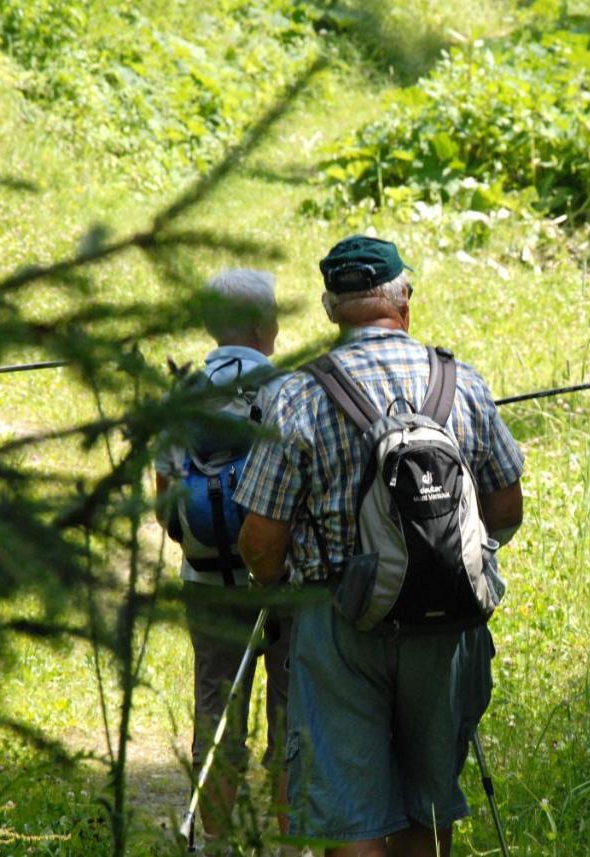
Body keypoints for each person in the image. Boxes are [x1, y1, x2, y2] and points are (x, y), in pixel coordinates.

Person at [236, 236, 525, 857]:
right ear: (404, 301)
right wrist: (442, 561)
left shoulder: (297, 395)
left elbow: (259, 538)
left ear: (330, 308)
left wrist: (285, 595)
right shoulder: (460, 383)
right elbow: (506, 507)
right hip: (448, 625)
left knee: (352, 821)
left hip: (338, 624)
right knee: (428, 809)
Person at [154, 268, 291, 846]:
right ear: (264, 326)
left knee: (215, 708)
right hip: (286, 583)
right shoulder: (288, 388)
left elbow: (165, 504)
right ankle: (297, 842)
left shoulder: (183, 392)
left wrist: (199, 543)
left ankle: (213, 842)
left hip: (206, 581)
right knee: (293, 711)